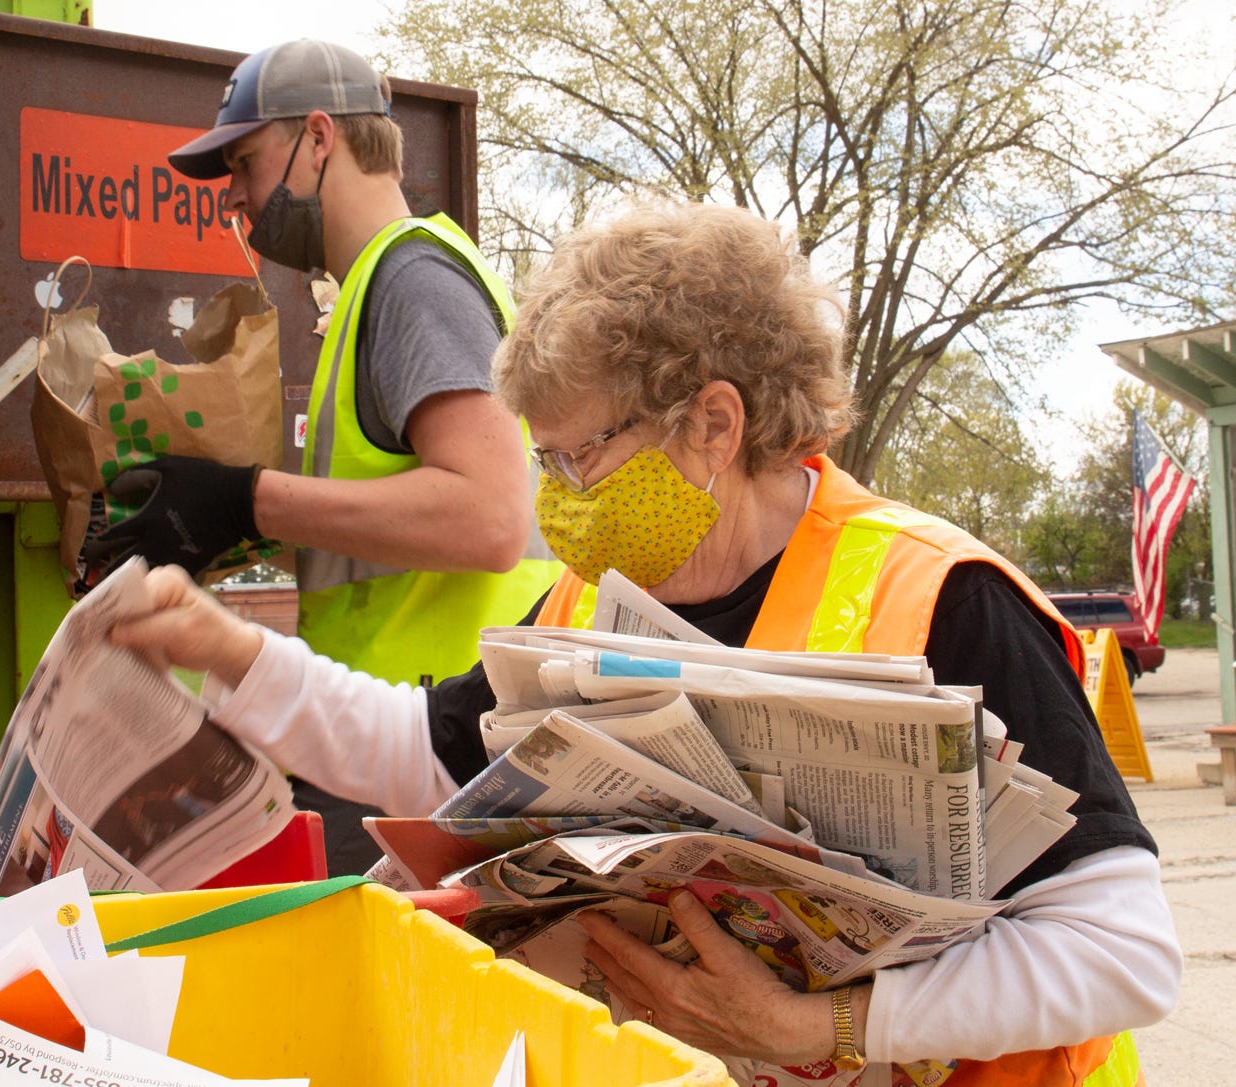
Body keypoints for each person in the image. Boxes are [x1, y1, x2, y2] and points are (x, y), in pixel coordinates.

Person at [109, 202, 1180, 1083]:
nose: (558, 504)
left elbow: (1123, 951)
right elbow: (429, 756)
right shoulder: (586, 605)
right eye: (548, 462)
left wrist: (839, 1026)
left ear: (714, 425)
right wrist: (228, 651)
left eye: (582, 459)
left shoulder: (943, 597)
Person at [89, 40, 561, 873]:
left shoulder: (412, 280)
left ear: (317, 139)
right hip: (390, 737)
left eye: (244, 162)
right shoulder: (369, 290)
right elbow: (384, 528)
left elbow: (489, 517)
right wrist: (214, 528)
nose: (234, 196)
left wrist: (247, 501)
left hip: (442, 742)